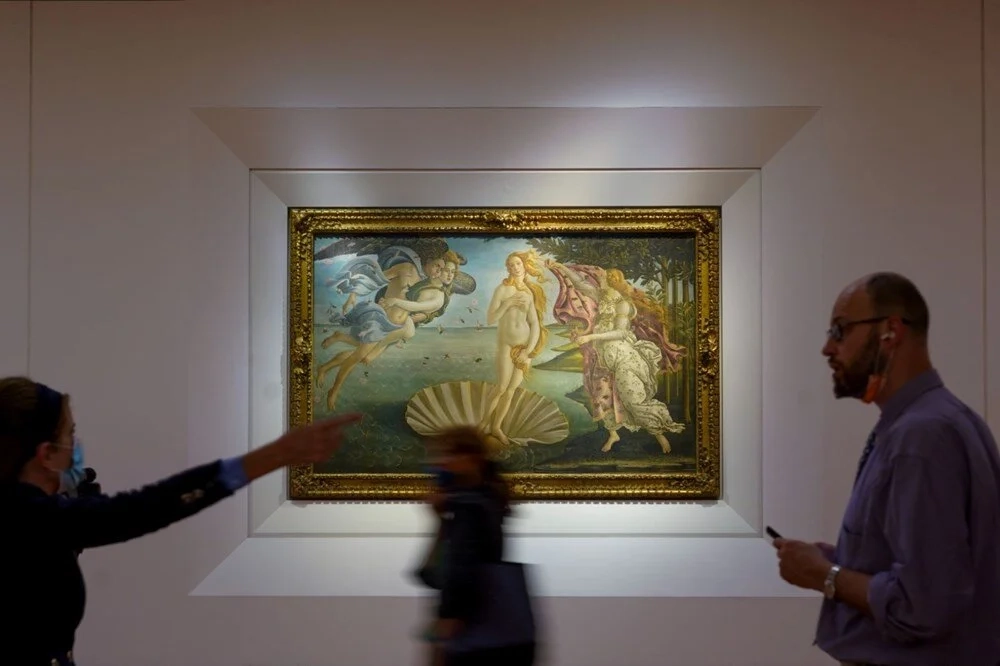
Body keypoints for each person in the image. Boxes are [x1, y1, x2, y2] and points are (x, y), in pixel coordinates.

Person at [0, 375, 361, 666]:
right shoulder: (29, 515)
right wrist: (275, 455)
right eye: (70, 435)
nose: (76, 446)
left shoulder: (33, 511)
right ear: (46, 454)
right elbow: (143, 508)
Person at [773, 272, 1000, 665]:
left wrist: (825, 577)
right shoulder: (932, 421)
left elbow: (924, 605)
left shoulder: (922, 437)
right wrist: (832, 560)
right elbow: (924, 566)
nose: (828, 348)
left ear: (890, 332)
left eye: (840, 330)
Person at [413, 426, 535, 666]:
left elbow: (455, 570)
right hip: (495, 635)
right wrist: (441, 518)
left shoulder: (469, 508)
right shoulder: (486, 501)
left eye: (448, 455)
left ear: (472, 458)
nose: (439, 464)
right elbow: (433, 575)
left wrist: (448, 618)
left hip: (472, 634)